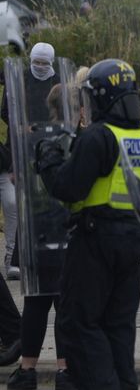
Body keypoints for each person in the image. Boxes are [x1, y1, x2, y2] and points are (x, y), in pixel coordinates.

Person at [36, 59, 140, 389]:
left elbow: (68, 188)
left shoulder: (100, 136)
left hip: (96, 237)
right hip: (132, 237)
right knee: (119, 325)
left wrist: (48, 159)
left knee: (80, 324)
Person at [1, 43, 61, 281]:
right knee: (23, 204)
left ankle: (45, 250)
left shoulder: (57, 82)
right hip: (22, 143)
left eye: (44, 64)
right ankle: (15, 257)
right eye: (36, 63)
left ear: (52, 63)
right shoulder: (20, 79)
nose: (40, 67)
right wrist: (22, 126)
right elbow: (6, 110)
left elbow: (61, 108)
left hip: (50, 144)